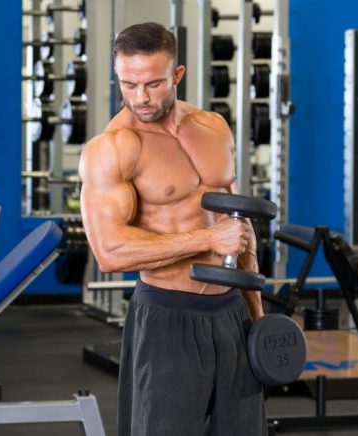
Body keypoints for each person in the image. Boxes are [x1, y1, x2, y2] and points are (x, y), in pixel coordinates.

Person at [79, 22, 266, 436]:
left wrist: (257, 315)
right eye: (128, 84)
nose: (140, 98)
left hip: (232, 311)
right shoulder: (113, 148)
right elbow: (109, 253)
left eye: (153, 84)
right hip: (168, 314)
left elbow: (238, 222)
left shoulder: (213, 126)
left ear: (177, 75)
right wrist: (206, 240)